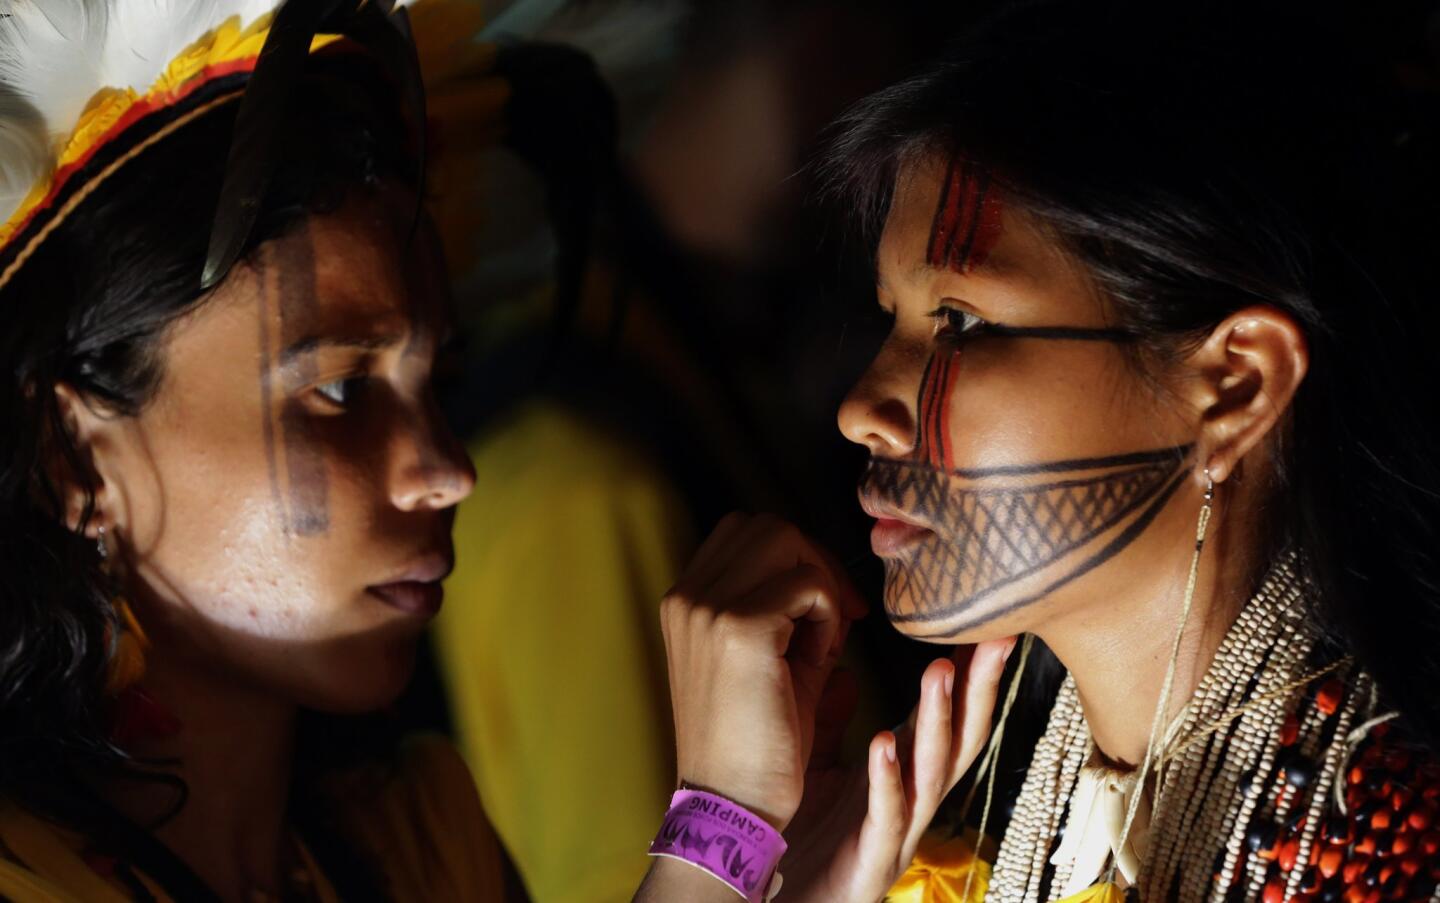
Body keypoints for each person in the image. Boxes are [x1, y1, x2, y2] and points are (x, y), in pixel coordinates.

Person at [635, 1, 1440, 900]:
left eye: (964, 322)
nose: (863, 409)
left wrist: (711, 851)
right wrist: (734, 847)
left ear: (1236, 384)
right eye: (891, 318)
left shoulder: (1389, 845)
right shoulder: (964, 854)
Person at [0, 3, 509, 898]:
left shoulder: (425, 846)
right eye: (341, 389)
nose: (447, 470)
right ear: (72, 461)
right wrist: (713, 845)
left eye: (442, 383)